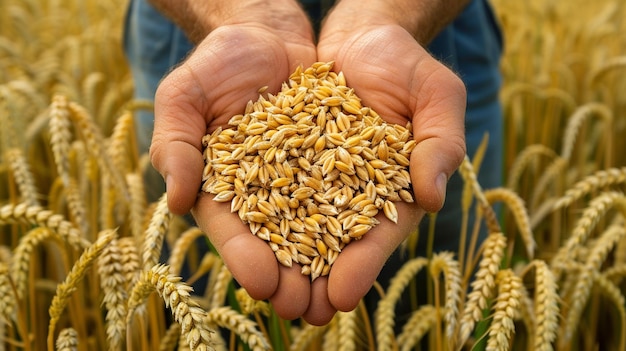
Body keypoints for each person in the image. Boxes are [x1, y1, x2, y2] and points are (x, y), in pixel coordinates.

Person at [124, 0, 503, 326]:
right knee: (201, 291)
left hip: (433, 23)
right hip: (195, 24)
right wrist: (244, 10)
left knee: (433, 299)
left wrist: (390, 9)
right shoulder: (252, 148)